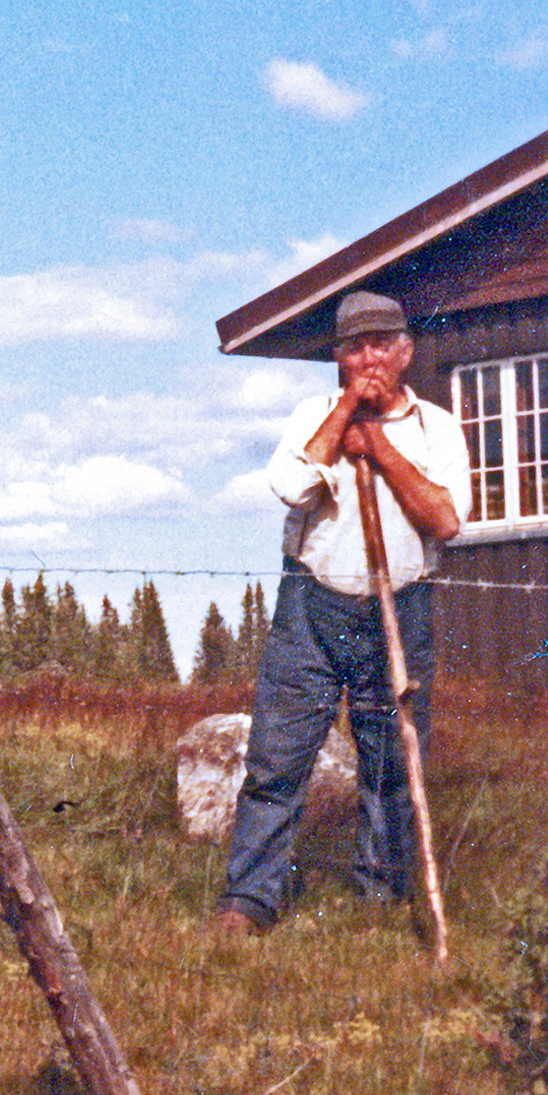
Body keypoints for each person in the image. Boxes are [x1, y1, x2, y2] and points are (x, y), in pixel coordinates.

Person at [213, 290, 469, 936]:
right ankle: (250, 901)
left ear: (406, 351)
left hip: (401, 606)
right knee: (277, 758)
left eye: (381, 344)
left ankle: (381, 897)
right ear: (339, 359)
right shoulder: (314, 415)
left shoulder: (437, 427)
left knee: (392, 761)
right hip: (312, 605)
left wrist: (379, 447)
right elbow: (293, 486)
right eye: (354, 348)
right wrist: (347, 413)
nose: (369, 358)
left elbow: (445, 520)